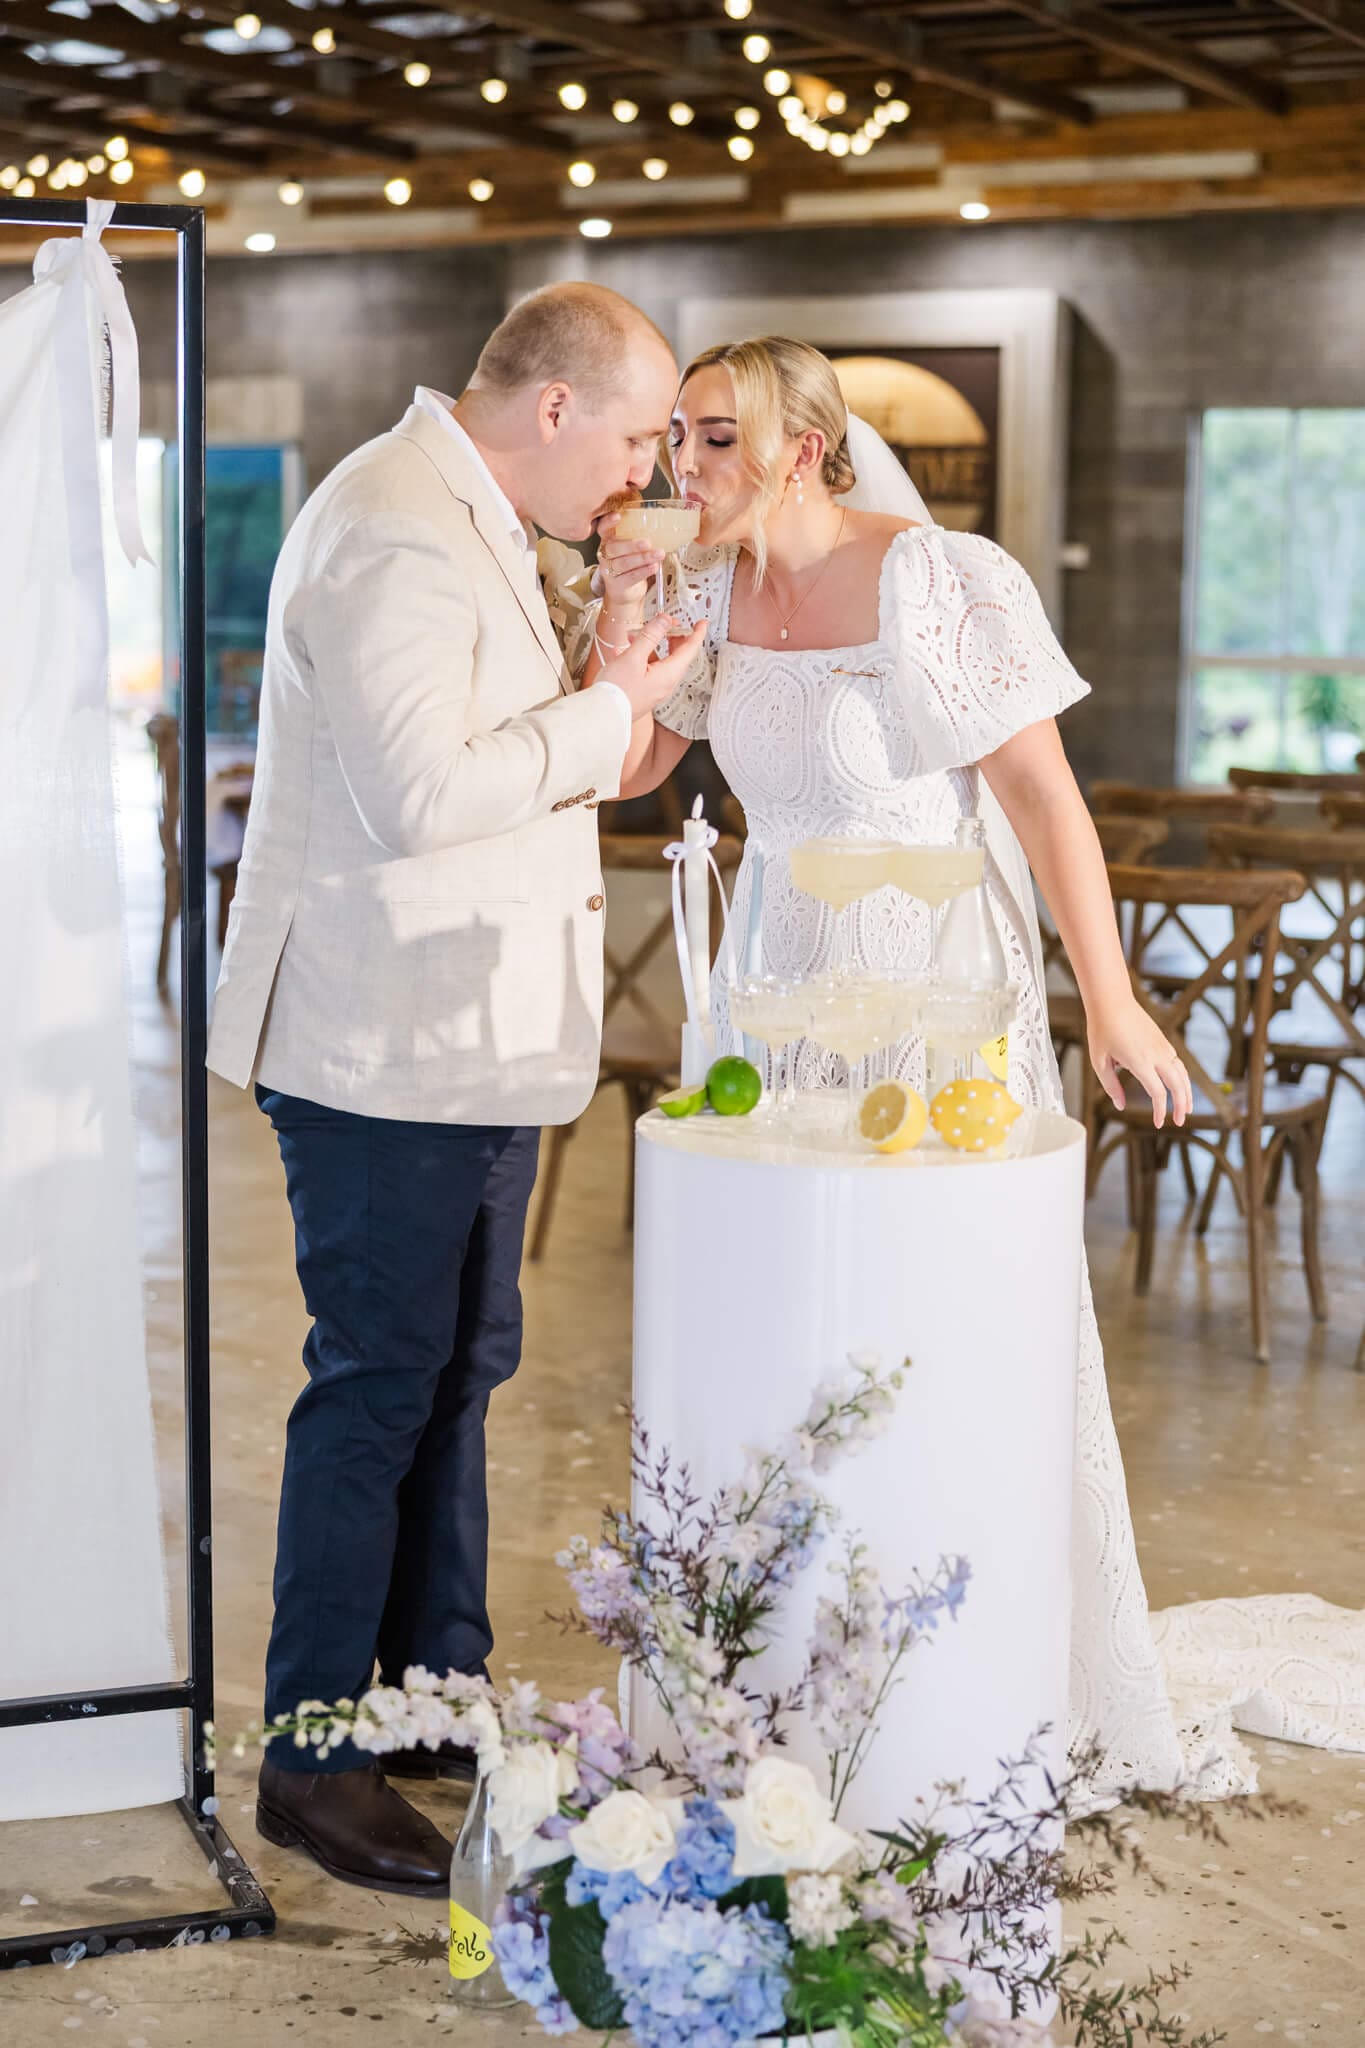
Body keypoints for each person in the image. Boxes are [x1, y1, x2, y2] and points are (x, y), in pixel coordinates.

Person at [586, 333, 1267, 1804]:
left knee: (933, 1308)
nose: (676, 469)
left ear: (806, 449)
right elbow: (634, 770)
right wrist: (618, 643)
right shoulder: (697, 582)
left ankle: (962, 1654)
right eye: (675, 442)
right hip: (776, 1000)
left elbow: (1039, 797)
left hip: (936, 994)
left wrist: (1120, 1000)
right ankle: (788, 1664)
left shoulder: (938, 580)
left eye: (712, 441)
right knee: (780, 1307)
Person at [206, 283, 705, 1895]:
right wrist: (606, 703)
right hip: (380, 1043)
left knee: (457, 1372)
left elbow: (580, 767)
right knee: (374, 1386)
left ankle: (434, 1704)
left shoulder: (491, 522)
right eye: (635, 437)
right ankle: (313, 1757)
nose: (640, 473)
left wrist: (630, 677)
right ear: (553, 407)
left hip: (472, 1037)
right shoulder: (394, 529)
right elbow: (427, 795)